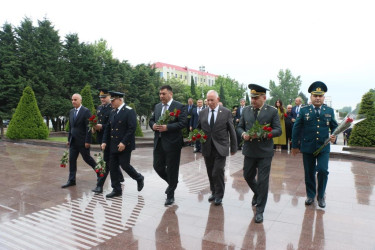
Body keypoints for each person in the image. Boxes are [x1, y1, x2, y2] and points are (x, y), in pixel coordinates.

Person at [236, 84, 281, 223]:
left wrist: (264, 134)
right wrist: (243, 134)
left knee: (263, 181)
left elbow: (278, 130)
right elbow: (239, 127)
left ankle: (260, 210)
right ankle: (258, 193)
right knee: (247, 175)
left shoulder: (272, 111)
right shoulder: (246, 110)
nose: (253, 100)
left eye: (256, 98)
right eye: (252, 97)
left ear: (264, 98)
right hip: (249, 150)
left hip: (264, 152)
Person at [292, 81, 338, 208]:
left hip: (323, 147)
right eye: (315, 95)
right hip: (308, 147)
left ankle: (321, 195)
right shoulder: (304, 110)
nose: (318, 98)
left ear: (323, 97)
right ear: (311, 97)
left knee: (323, 171)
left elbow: (335, 127)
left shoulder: (329, 111)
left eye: (320, 96)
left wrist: (335, 136)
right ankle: (311, 195)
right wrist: (295, 145)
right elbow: (296, 127)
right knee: (309, 172)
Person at [197, 90, 237, 206]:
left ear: (218, 100)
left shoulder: (226, 112)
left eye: (212, 100)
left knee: (217, 171)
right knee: (210, 171)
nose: (209, 102)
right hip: (207, 147)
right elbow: (198, 128)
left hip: (221, 147)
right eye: (208, 100)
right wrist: (195, 136)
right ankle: (214, 192)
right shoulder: (203, 113)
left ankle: (219, 195)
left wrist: (233, 147)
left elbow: (231, 130)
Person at [101, 91, 144, 198]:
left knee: (125, 165)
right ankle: (116, 189)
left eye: (113, 100)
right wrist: (104, 141)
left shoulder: (129, 111)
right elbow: (108, 128)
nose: (111, 103)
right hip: (113, 144)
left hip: (125, 144)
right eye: (111, 101)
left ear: (120, 100)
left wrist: (124, 142)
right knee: (113, 166)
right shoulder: (113, 112)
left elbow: (131, 128)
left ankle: (139, 178)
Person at [149, 85, 187, 206]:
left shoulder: (179, 106)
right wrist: (153, 125)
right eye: (160, 94)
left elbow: (183, 123)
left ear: (170, 94)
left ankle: (170, 195)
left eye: (163, 94)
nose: (161, 96)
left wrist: (168, 127)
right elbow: (151, 120)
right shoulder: (157, 106)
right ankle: (173, 183)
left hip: (173, 143)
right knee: (157, 166)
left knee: (172, 168)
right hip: (159, 142)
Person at [62, 93, 99, 189]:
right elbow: (71, 127)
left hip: (83, 142)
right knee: (72, 160)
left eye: (75, 99)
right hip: (73, 141)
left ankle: (100, 173)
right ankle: (71, 180)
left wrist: (88, 141)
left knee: (87, 159)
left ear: (80, 100)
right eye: (72, 99)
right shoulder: (71, 112)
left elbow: (89, 127)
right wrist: (68, 139)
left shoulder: (86, 111)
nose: (73, 101)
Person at [91, 88, 124, 193]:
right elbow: (98, 121)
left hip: (111, 138)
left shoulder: (113, 108)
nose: (102, 99)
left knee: (105, 162)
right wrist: (94, 127)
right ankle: (120, 177)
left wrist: (101, 126)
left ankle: (99, 185)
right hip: (103, 138)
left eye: (104, 97)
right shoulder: (100, 108)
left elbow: (112, 125)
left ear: (110, 97)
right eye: (101, 97)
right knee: (111, 161)